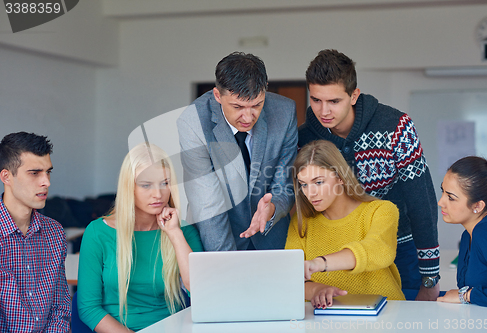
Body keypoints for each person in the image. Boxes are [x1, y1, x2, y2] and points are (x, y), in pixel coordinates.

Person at [298, 49, 440, 300]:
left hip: (399, 247)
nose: (324, 111)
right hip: (333, 254)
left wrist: (430, 277)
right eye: (316, 100)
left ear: (354, 96)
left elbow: (422, 201)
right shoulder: (304, 137)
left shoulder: (395, 126)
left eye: (334, 101)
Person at [177, 52, 298, 251]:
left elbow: (284, 185)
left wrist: (273, 208)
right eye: (238, 106)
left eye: (257, 105)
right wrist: (227, 264)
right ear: (218, 95)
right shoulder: (193, 122)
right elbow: (208, 205)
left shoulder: (284, 113)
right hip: (217, 238)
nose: (248, 117)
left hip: (272, 239)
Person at [77, 143, 204, 332]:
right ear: (129, 187)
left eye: (165, 183)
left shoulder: (183, 231)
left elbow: (200, 292)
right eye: (146, 185)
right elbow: (88, 308)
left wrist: (174, 234)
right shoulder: (97, 232)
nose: (158, 194)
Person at [285, 140, 405, 309]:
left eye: (318, 182)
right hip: (327, 322)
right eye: (304, 185)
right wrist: (317, 289)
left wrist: (319, 264)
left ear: (340, 177)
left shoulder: (381, 210)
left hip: (387, 316)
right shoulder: (302, 221)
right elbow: (290, 278)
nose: (310, 193)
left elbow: (378, 250)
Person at [0, 132, 71, 332]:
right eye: (34, 173)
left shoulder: (54, 232)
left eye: (48, 172)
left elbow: (60, 307)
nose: (46, 182)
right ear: (6, 176)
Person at [437, 154, 487, 308]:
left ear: (477, 206)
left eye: (451, 197)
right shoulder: (468, 235)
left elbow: (466, 293)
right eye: (443, 191)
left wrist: (466, 296)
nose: (441, 202)